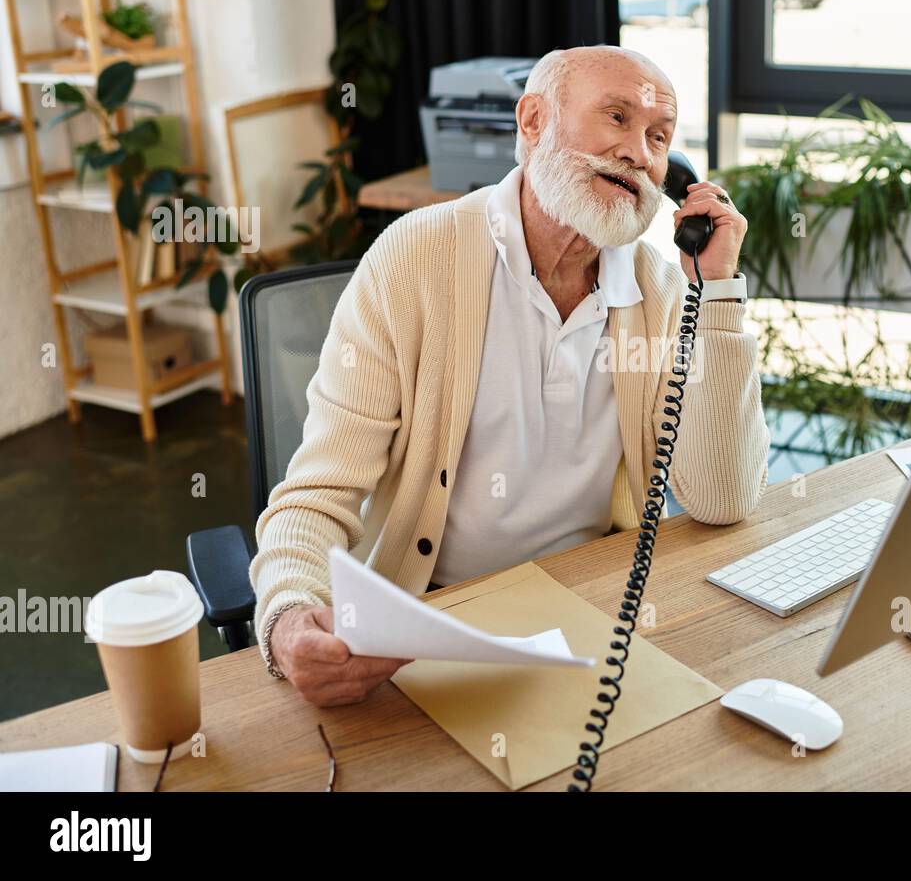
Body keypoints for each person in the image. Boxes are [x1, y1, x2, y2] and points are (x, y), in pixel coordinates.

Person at [252, 45, 769, 706]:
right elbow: (318, 492)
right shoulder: (414, 260)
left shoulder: (663, 290)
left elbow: (722, 499)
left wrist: (716, 290)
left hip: (598, 607)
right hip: (431, 620)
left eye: (659, 137)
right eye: (616, 117)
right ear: (533, 121)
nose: (640, 154)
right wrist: (289, 617)